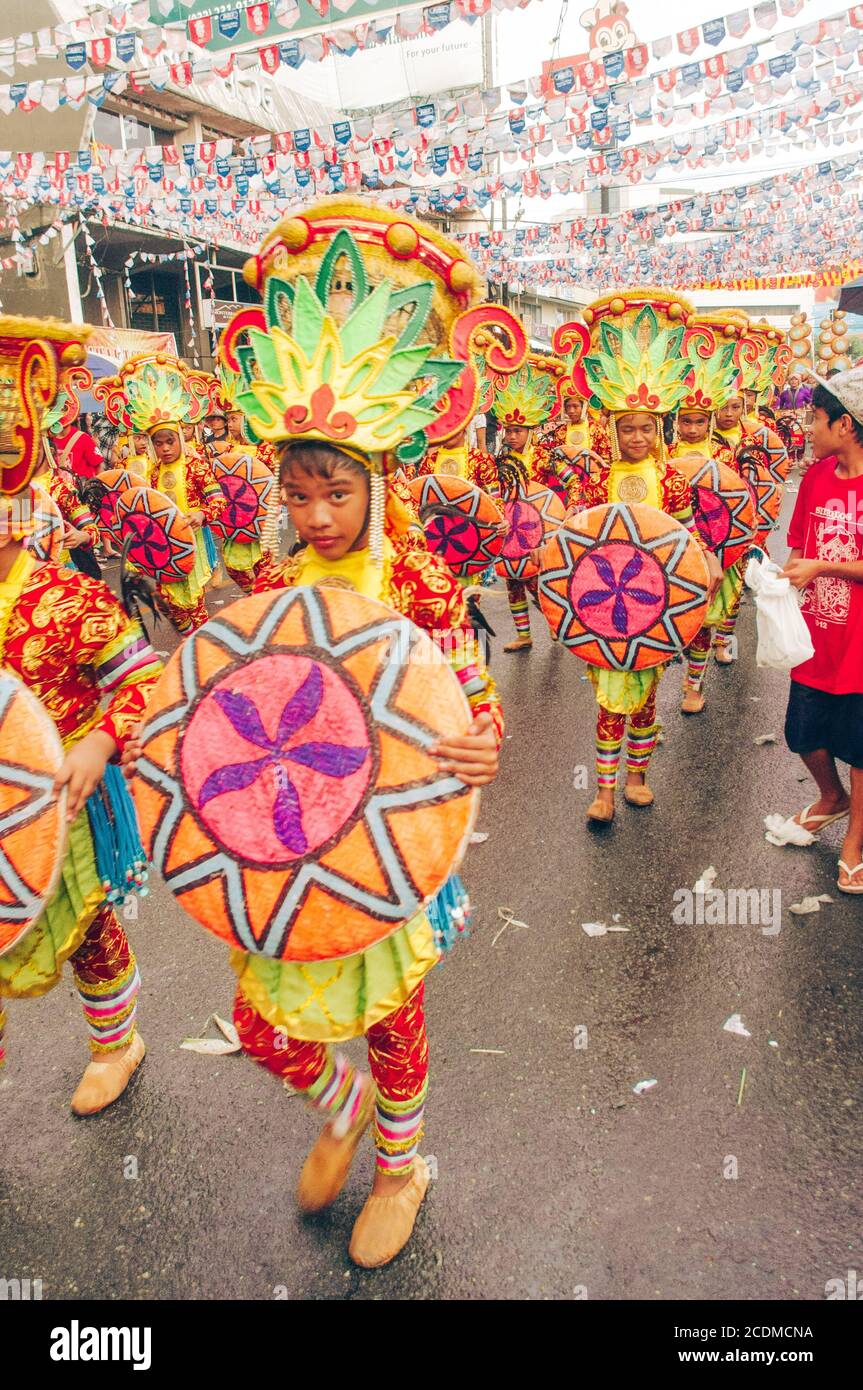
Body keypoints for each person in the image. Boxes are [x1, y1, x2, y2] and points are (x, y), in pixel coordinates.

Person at [172, 200, 505, 1268]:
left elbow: (465, 689)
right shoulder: (271, 584)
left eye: (336, 493)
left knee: (391, 1016)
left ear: (378, 483)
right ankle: (340, 1102)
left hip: (377, 842)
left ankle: (403, 1167)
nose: (316, 516)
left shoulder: (415, 575)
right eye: (298, 493)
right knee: (267, 1023)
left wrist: (482, 738)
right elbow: (229, 694)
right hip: (280, 834)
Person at [0, 316, 162, 1111]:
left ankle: (116, 1042)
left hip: (61, 798)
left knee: (86, 930)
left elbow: (141, 677)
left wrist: (100, 740)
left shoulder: (67, 597)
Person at [574, 291, 722, 822]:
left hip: (654, 607)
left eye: (645, 428)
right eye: (627, 428)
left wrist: (706, 568)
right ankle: (605, 792)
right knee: (608, 698)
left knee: (643, 696)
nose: (636, 437)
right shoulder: (596, 478)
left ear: (658, 431)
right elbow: (577, 540)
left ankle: (637, 777)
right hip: (602, 606)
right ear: (613, 431)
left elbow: (686, 542)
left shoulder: (673, 481)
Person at [777, 369, 863, 893]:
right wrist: (782, 580)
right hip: (816, 635)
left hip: (860, 644)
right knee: (803, 733)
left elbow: (818, 562)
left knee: (860, 745)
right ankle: (832, 799)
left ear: (845, 423)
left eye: (815, 417)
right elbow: (799, 545)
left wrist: (822, 569)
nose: (809, 427)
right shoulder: (815, 476)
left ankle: (855, 839)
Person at [93, 354, 226, 633]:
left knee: (193, 604)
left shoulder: (195, 465)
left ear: (179, 437)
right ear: (151, 445)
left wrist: (202, 513)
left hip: (192, 544)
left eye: (170, 441)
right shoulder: (151, 474)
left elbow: (219, 499)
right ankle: (193, 644)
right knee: (172, 605)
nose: (165, 448)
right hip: (163, 548)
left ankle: (202, 650)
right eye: (159, 443)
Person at [491, 354, 584, 651]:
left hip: (542, 532)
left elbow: (572, 480)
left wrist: (571, 506)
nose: (512, 436)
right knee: (513, 581)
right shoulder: (503, 459)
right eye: (508, 431)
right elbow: (496, 494)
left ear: (530, 432)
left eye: (518, 431)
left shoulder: (545, 456)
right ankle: (524, 634)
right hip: (513, 533)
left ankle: (555, 625)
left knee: (538, 583)